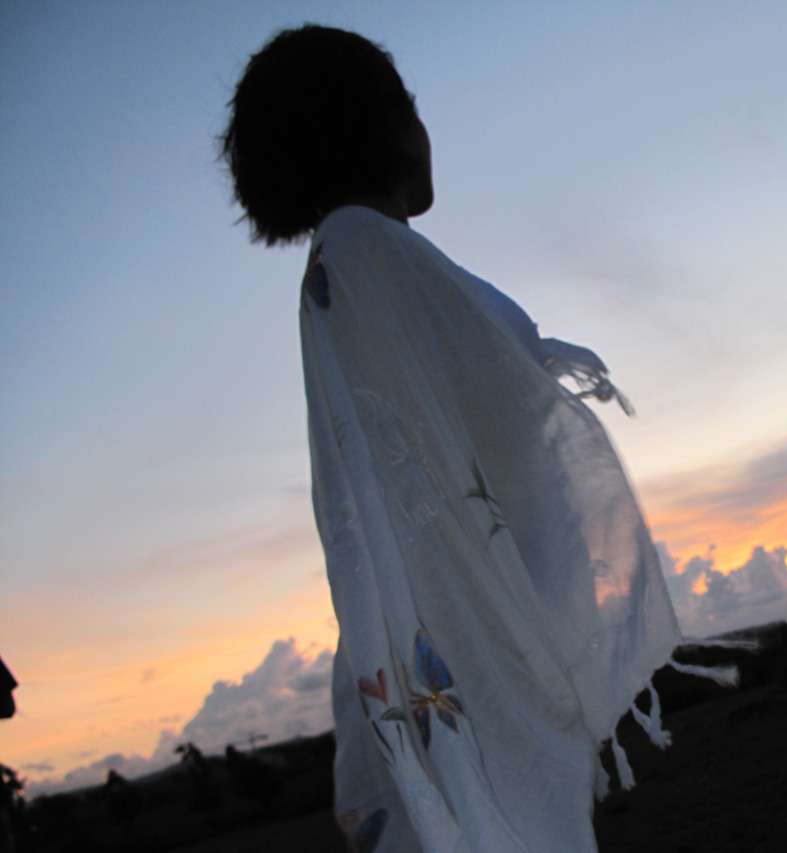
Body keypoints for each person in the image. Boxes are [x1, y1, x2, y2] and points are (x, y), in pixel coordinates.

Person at [220, 25, 756, 853]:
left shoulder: (361, 260)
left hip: (466, 664)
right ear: (384, 124)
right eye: (412, 106)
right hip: (468, 666)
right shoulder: (362, 253)